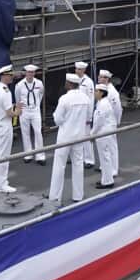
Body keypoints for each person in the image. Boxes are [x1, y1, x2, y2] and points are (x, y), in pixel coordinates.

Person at [49, 73, 92, 205]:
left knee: (59, 165)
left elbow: (57, 119)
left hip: (65, 136)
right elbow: (88, 117)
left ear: (69, 84)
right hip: (79, 135)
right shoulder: (85, 98)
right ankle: (78, 195)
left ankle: (55, 197)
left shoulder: (64, 99)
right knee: (78, 165)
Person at [0, 66, 18, 193]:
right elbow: (9, 112)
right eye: (10, 75)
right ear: (4, 76)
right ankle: (2, 184)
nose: (12, 77)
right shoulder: (6, 92)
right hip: (4, 124)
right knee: (4, 155)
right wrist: (18, 111)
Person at [14, 64, 45, 164]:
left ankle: (40, 156)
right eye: (29, 72)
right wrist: (20, 108)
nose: (30, 74)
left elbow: (41, 94)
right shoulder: (19, 85)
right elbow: (17, 99)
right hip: (24, 111)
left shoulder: (39, 83)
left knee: (38, 132)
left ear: (34, 73)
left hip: (35, 110)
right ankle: (28, 154)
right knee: (25, 132)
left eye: (32, 72)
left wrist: (36, 105)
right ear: (25, 73)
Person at [98, 69, 122, 183]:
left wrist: (116, 122)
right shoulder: (101, 89)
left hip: (110, 122)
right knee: (104, 147)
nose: (100, 78)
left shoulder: (112, 92)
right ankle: (105, 167)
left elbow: (117, 109)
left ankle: (113, 169)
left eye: (103, 77)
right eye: (100, 76)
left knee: (111, 146)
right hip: (103, 122)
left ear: (107, 79)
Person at [92, 84, 118, 190]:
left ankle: (108, 181)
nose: (94, 93)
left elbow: (99, 122)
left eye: (96, 91)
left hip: (103, 132)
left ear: (102, 93)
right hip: (105, 131)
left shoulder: (103, 104)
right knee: (105, 157)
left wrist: (92, 134)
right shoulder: (102, 102)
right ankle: (106, 179)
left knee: (105, 157)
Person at [73, 62, 97, 169]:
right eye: (76, 69)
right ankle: (77, 157)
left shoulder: (88, 82)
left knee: (86, 137)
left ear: (83, 70)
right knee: (75, 136)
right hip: (75, 112)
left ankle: (89, 160)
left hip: (84, 112)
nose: (77, 71)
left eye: (79, 69)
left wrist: (89, 116)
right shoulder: (74, 79)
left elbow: (91, 99)